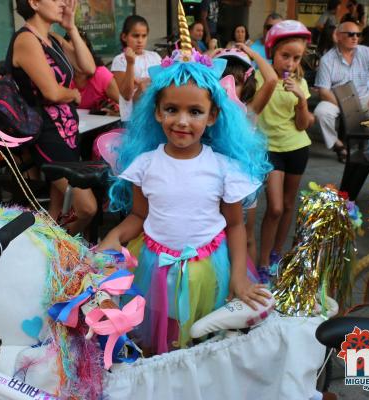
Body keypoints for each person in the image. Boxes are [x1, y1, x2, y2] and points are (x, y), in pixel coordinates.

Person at [96, 49, 272, 355]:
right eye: (171, 109)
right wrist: (114, 237)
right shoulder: (146, 164)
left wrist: (239, 275)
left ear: (213, 115)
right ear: (157, 112)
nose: (182, 121)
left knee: (204, 344)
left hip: (208, 269)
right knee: (159, 340)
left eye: (195, 111)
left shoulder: (222, 167)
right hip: (155, 268)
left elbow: (235, 225)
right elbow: (138, 215)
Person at [10, 0, 97, 235]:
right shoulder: (27, 39)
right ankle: (60, 253)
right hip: (47, 135)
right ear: (35, 3)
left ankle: (48, 256)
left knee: (58, 208)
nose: (63, 2)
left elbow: (88, 68)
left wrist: (71, 28)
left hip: (68, 132)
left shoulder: (54, 38)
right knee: (86, 207)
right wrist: (74, 94)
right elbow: (52, 92)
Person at [257, 20, 315, 274]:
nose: (290, 63)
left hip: (297, 147)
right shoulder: (260, 77)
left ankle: (275, 256)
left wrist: (301, 100)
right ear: (272, 52)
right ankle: (261, 262)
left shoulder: (300, 83)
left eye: (296, 58)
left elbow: (302, 125)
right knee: (275, 207)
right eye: (285, 56)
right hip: (270, 148)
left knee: (289, 205)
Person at [214, 44, 277, 265]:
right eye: (223, 79)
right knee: (219, 237)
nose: (228, 86)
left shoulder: (249, 110)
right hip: (215, 184)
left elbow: (271, 80)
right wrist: (209, 58)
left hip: (244, 182)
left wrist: (253, 54)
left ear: (246, 85)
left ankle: (249, 281)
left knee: (246, 236)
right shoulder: (208, 110)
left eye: (236, 82)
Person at [314, 21, 369, 162]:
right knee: (321, 112)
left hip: (364, 97)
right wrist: (345, 107)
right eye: (350, 34)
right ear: (338, 36)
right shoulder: (327, 60)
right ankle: (338, 146)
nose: (355, 37)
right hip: (337, 99)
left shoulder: (365, 51)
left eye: (358, 34)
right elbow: (324, 91)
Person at [111, 15, 161, 122]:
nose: (140, 40)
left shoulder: (154, 56)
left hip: (154, 115)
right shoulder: (120, 60)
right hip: (132, 119)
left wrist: (139, 82)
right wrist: (130, 63)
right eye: (136, 36)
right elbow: (127, 95)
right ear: (124, 37)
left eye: (144, 36)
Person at [71, 31, 120, 112]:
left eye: (81, 50)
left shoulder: (101, 74)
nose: (76, 54)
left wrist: (115, 111)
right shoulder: (61, 76)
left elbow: (124, 107)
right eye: (70, 50)